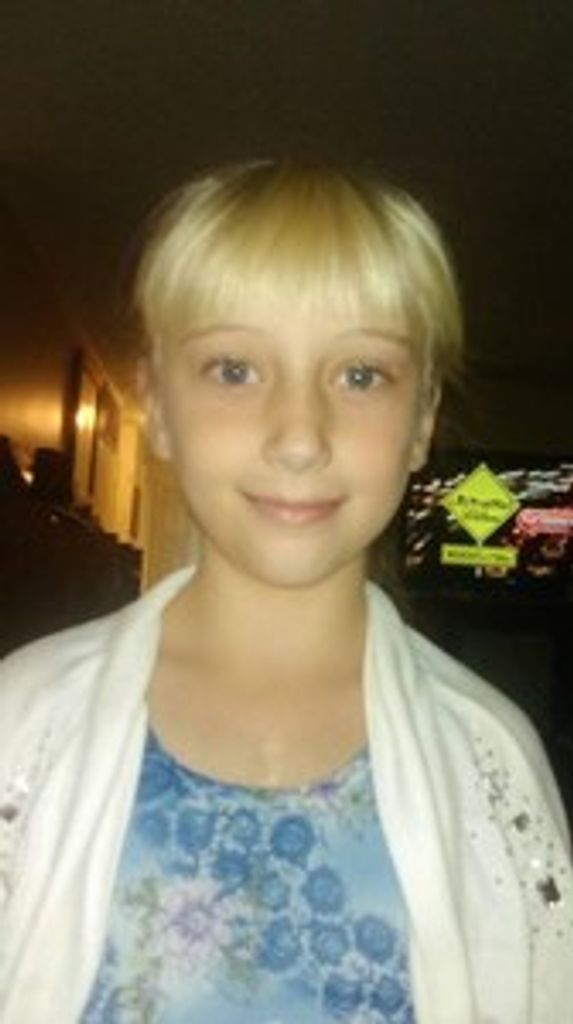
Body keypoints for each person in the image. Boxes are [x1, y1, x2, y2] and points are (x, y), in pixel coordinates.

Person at [0, 162, 571, 1024]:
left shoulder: (491, 764)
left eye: (360, 375)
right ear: (157, 404)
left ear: (421, 417)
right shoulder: (22, 724)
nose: (299, 437)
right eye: (234, 369)